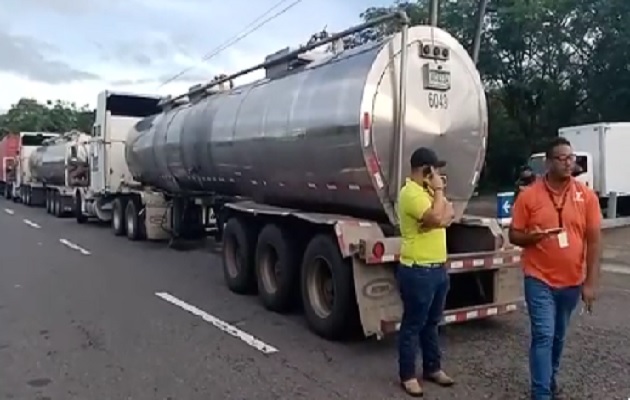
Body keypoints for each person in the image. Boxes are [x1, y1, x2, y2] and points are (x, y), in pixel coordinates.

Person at [508, 137, 602, 400]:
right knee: (544, 335)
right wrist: (531, 237)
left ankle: (549, 378)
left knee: (558, 336)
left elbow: (594, 241)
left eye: (571, 158)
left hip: (571, 281)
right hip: (538, 278)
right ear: (548, 163)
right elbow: (514, 235)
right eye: (561, 158)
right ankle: (541, 393)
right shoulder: (529, 196)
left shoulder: (586, 196)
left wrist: (591, 282)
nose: (568, 162)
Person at [396, 147, 456, 397]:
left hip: (438, 268)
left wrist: (440, 211)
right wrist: (439, 196)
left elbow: (449, 215)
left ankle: (433, 367)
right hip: (418, 269)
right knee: (413, 324)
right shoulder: (411, 193)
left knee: (432, 322)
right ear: (425, 170)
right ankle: (408, 375)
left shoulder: (429, 192)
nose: (439, 175)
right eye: (436, 170)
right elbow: (435, 218)